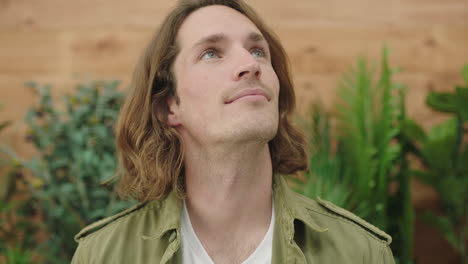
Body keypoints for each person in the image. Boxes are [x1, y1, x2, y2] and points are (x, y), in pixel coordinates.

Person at [71, 0, 395, 263]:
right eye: (211, 53)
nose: (250, 64)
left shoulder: (359, 253)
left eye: (258, 51)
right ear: (169, 107)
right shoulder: (103, 255)